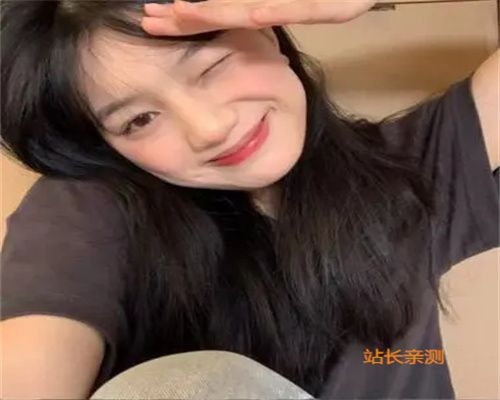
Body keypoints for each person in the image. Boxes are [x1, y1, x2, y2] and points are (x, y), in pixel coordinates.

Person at [1, 0, 498, 399]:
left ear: (266, 28)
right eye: (139, 120)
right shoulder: (88, 211)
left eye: (211, 66)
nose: (208, 128)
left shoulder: (417, 159)